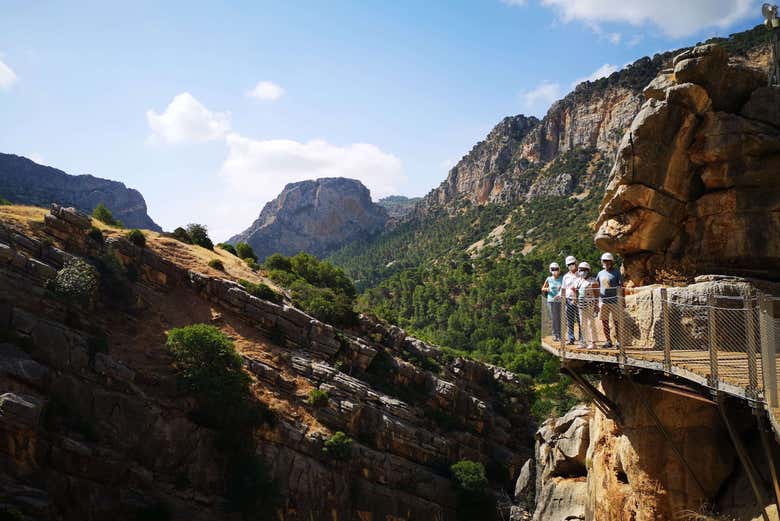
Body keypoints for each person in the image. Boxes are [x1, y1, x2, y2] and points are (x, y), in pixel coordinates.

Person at [597, 252, 623, 348]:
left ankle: (619, 341)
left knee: (617, 321)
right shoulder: (600, 273)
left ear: (611, 262)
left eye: (608, 261)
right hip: (603, 301)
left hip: (614, 300)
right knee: (604, 321)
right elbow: (597, 286)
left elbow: (620, 286)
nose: (606, 263)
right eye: (604, 261)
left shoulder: (616, 272)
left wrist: (622, 300)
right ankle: (608, 341)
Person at [575, 261, 599, 349]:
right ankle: (584, 341)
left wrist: (597, 304)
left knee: (590, 323)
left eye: (584, 270)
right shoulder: (579, 281)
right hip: (581, 305)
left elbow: (597, 293)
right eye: (580, 270)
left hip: (590, 304)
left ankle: (593, 342)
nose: (582, 271)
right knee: (582, 323)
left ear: (588, 270)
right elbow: (576, 291)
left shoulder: (593, 281)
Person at [561, 255, 582, 345]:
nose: (571, 265)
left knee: (580, 319)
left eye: (572, 263)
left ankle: (582, 339)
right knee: (570, 320)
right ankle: (571, 339)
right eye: (569, 264)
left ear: (576, 263)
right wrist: (562, 298)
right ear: (567, 265)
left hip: (580, 299)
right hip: (569, 300)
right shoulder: (566, 276)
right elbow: (563, 288)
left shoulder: (581, 274)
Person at [541, 262, 563, 342]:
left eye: (556, 269)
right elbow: (543, 288)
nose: (555, 271)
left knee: (560, 318)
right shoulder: (548, 279)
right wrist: (547, 289)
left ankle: (560, 335)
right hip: (551, 300)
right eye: (553, 269)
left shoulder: (562, 278)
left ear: (559, 269)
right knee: (553, 318)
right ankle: (555, 335)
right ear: (550, 270)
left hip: (560, 300)